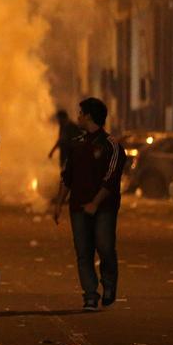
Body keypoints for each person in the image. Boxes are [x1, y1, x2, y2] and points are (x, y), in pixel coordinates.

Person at [53, 97, 124, 311]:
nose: (78, 116)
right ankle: (90, 295)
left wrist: (95, 202)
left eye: (81, 112)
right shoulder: (77, 144)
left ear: (89, 116)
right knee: (83, 252)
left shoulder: (112, 145)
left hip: (104, 209)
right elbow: (67, 177)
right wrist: (59, 204)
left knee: (104, 248)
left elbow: (111, 179)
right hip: (78, 207)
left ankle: (109, 285)